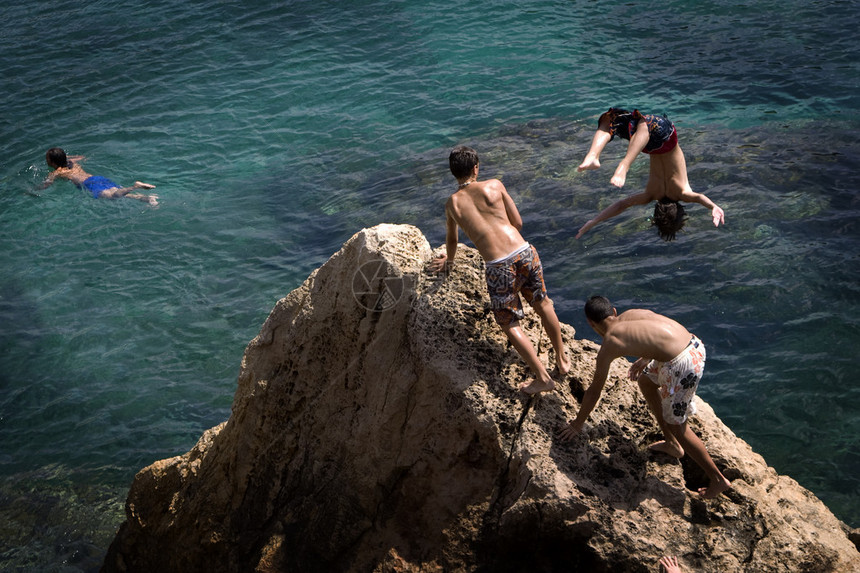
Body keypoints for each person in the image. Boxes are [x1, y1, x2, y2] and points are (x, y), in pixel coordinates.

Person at [558, 295, 732, 499]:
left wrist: (577, 424)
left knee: (679, 426)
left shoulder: (611, 342)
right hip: (693, 344)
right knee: (646, 382)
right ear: (613, 311)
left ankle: (718, 479)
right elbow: (659, 330)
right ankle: (672, 444)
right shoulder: (632, 314)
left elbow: (595, 390)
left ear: (591, 323)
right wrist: (646, 358)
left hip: (681, 365)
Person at [429, 146, 570, 394]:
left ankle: (542, 378)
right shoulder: (495, 185)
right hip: (525, 252)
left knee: (509, 323)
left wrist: (448, 262)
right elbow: (517, 222)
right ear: (476, 168)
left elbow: (452, 240)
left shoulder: (452, 204)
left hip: (498, 266)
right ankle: (562, 359)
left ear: (454, 173)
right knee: (543, 304)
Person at [575, 108, 724, 241]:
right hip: (648, 145)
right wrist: (594, 221)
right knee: (610, 120)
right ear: (655, 213)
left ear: (680, 211)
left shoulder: (683, 193)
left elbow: (700, 198)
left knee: (634, 124)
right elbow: (621, 205)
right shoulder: (651, 195)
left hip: (662, 136)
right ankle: (607, 160)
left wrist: (713, 207)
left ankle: (599, 157)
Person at [43, 147, 158, 205]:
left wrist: (35, 190)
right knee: (117, 191)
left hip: (88, 184)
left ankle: (135, 186)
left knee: (113, 196)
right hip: (97, 178)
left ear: (53, 162)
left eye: (47, 159)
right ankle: (147, 199)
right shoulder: (72, 163)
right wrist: (65, 157)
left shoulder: (56, 172)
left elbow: (47, 184)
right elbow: (82, 157)